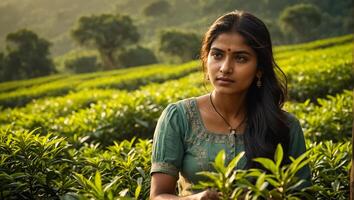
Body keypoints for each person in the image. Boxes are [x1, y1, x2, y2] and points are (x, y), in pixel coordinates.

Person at [149, 10, 311, 199]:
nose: (225, 68)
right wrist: (196, 199)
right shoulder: (178, 117)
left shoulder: (286, 126)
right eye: (217, 55)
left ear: (259, 69)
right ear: (206, 58)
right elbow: (158, 195)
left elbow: (302, 194)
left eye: (241, 58)